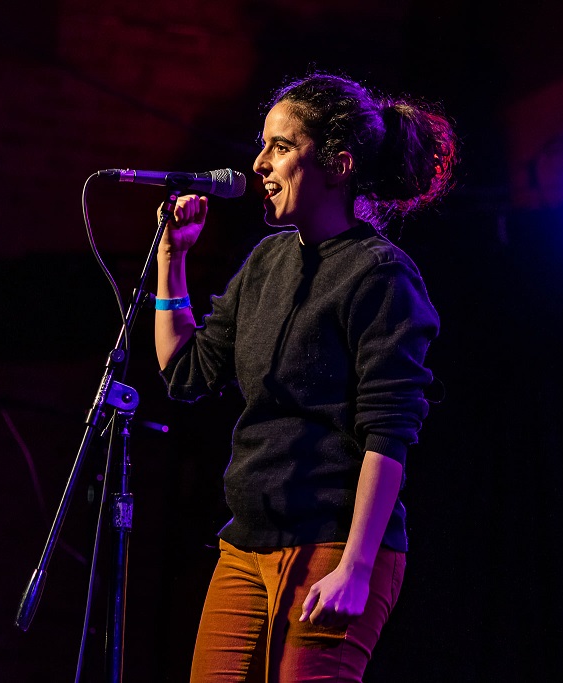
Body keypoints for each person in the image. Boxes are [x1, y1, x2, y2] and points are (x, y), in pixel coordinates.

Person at [154, 72, 456, 682]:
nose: (260, 164)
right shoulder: (267, 262)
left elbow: (388, 433)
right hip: (247, 544)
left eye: (282, 147)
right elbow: (185, 369)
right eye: (263, 144)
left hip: (334, 543)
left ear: (339, 165)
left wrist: (356, 568)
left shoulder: (380, 276)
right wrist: (173, 259)